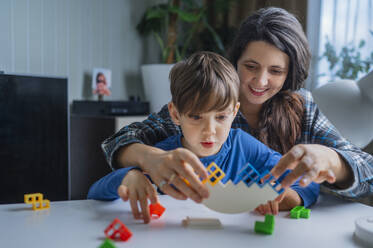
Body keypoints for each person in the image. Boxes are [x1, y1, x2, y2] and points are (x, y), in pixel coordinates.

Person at [101, 7, 373, 204]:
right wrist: (147, 158)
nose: (260, 81)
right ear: (235, 61)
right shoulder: (208, 99)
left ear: (289, 74)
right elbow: (117, 142)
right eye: (251, 66)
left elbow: (369, 174)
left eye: (276, 71)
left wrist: (334, 162)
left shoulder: (301, 108)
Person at [88, 52, 319, 223]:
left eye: (220, 117)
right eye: (196, 117)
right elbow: (95, 194)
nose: (210, 131)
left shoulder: (245, 147)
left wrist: (283, 197)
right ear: (175, 114)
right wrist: (129, 177)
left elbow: (307, 185)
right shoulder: (164, 158)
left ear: (234, 111)